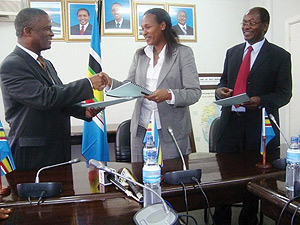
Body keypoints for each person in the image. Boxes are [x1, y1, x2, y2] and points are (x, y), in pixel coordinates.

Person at [0, 8, 106, 170]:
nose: (52, 34)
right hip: (33, 156)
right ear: (27, 31)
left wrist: (81, 111)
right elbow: (45, 98)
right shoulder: (12, 65)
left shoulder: (46, 63)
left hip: (57, 148)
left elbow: (58, 97)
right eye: (47, 29)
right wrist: (88, 84)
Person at [214, 7, 292, 225]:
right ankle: (221, 219)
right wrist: (220, 91)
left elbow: (284, 94)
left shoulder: (280, 56)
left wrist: (260, 101)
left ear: (265, 26)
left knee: (253, 183)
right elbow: (223, 82)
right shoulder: (233, 52)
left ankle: (248, 220)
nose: (246, 26)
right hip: (229, 126)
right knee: (224, 181)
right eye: (244, 22)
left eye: (252, 23)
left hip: (259, 128)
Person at [101, 8, 201, 162]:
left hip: (170, 130)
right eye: (142, 29)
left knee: (170, 178)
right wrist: (110, 83)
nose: (144, 32)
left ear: (162, 25)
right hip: (141, 129)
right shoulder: (140, 55)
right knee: (140, 177)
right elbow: (130, 85)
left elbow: (194, 92)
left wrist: (168, 95)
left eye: (148, 27)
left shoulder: (183, 53)